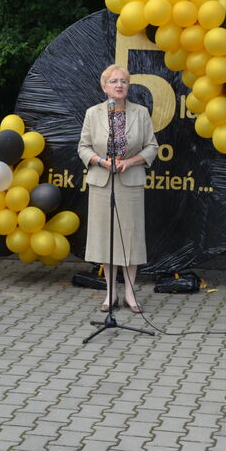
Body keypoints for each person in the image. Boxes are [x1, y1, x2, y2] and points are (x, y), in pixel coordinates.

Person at [78, 65, 158, 313]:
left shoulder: (141, 113)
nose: (119, 85)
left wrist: (129, 162)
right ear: (104, 87)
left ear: (128, 86)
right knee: (106, 239)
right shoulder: (93, 113)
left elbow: (151, 147)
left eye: (123, 81)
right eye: (114, 81)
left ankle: (130, 294)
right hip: (102, 183)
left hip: (130, 181)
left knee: (131, 240)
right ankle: (110, 294)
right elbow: (83, 147)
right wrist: (101, 161)